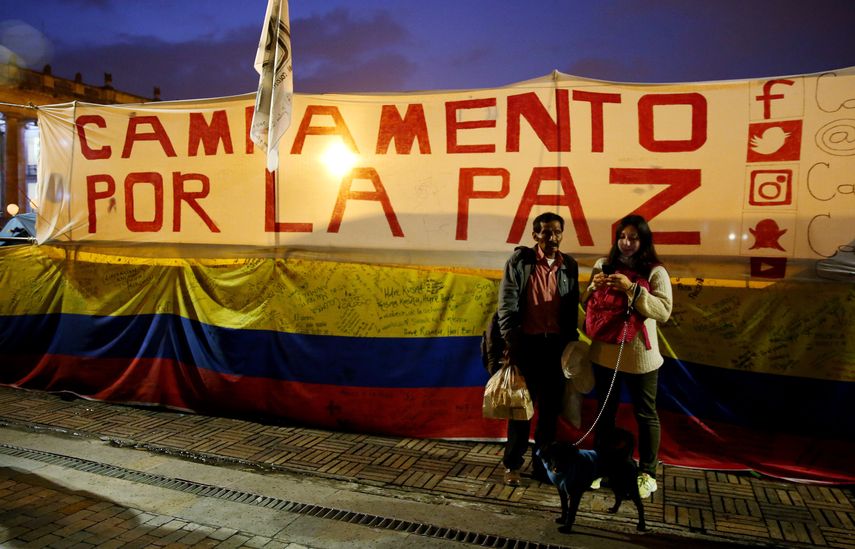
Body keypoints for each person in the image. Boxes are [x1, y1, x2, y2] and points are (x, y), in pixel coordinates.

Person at [582, 214, 673, 499]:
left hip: (640, 356)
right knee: (604, 413)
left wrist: (632, 289)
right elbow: (588, 305)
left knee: (645, 414)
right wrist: (593, 288)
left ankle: (647, 472)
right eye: (622, 237)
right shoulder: (603, 265)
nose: (626, 243)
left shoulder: (655, 272)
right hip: (605, 353)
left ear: (643, 240)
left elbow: (664, 312)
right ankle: (602, 466)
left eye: (633, 238)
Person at [497, 212, 580, 486]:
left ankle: (542, 466)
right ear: (535, 235)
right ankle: (512, 465)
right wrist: (513, 342)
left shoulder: (569, 265)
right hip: (526, 346)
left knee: (549, 412)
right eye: (545, 232)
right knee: (521, 410)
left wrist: (570, 343)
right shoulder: (519, 262)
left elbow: (570, 309)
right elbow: (506, 305)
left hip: (555, 348)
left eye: (557, 232)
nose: (552, 238)